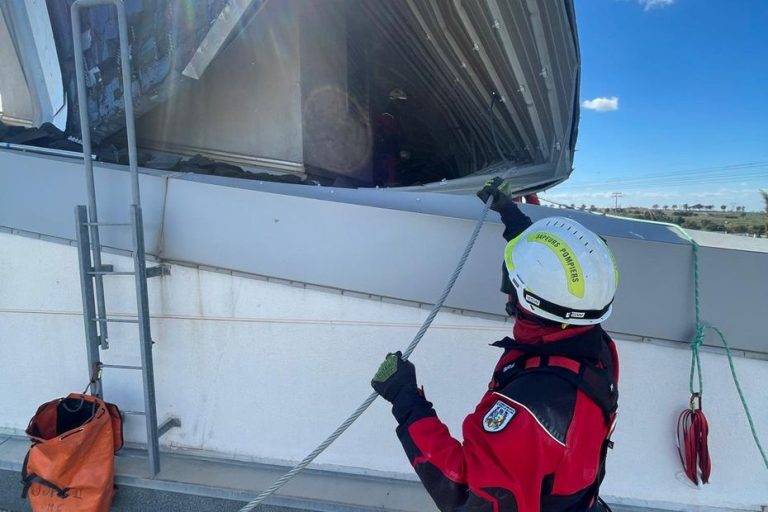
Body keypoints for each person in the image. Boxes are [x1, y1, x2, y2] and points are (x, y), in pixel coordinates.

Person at [371, 177, 620, 512]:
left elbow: (462, 490)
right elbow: (549, 282)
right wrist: (511, 216)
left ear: (526, 301)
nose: (505, 290)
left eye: (509, 281)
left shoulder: (529, 411)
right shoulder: (595, 346)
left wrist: (405, 400)